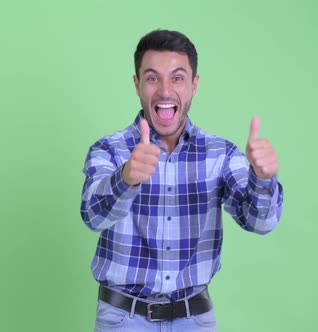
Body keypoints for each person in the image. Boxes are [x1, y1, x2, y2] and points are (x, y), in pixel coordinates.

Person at [80, 29, 283, 331]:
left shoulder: (221, 154)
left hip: (194, 319)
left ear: (193, 85)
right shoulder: (109, 149)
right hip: (122, 319)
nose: (164, 91)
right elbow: (92, 217)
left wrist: (262, 179)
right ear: (137, 85)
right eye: (152, 78)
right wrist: (125, 179)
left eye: (177, 77)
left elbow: (261, 223)